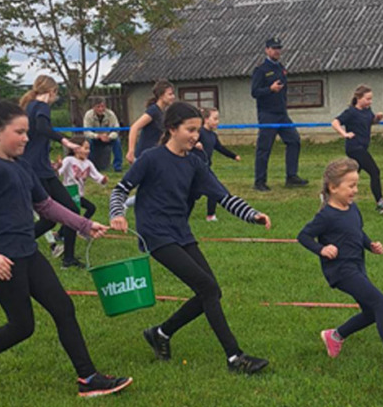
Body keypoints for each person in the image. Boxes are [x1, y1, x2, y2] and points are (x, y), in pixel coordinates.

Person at [0, 100, 132, 400]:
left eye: (27, 132)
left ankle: (87, 378)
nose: (26, 138)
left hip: (27, 253)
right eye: (19, 132)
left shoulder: (21, 165)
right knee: (22, 326)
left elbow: (45, 205)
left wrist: (83, 225)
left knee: (63, 308)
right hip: (1, 259)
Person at [108, 101, 273, 374]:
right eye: (190, 129)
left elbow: (224, 197)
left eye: (198, 130)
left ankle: (160, 333)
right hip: (155, 234)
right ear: (172, 129)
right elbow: (120, 190)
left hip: (181, 232)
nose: (196, 136)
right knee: (208, 289)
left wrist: (252, 215)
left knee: (210, 291)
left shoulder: (195, 164)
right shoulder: (151, 158)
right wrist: (117, 214)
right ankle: (235, 358)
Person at [297, 158, 383, 373]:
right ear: (333, 187)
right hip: (340, 271)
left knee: (371, 311)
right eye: (351, 185)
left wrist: (369, 244)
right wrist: (322, 249)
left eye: (357, 185)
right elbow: (303, 236)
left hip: (357, 266)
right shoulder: (325, 215)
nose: (355, 190)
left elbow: (357, 231)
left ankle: (335, 336)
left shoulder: (352, 209)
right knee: (382, 303)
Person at [18, 75, 86, 268]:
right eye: (56, 93)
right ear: (52, 91)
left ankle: (19, 245)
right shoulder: (41, 106)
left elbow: (37, 135)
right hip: (38, 172)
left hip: (38, 169)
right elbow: (42, 127)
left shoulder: (29, 106)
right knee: (71, 211)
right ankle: (68, 259)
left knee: (49, 219)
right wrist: (65, 141)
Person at [250, 37, 307, 191]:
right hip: (267, 114)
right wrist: (270, 89)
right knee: (264, 148)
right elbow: (254, 92)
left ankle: (291, 176)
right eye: (274, 48)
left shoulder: (281, 68)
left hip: (282, 113)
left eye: (278, 48)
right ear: (267, 50)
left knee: (294, 140)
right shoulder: (261, 70)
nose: (277, 51)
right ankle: (259, 181)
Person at [331, 85, 383, 214]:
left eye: (371, 99)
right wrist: (344, 134)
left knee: (350, 178)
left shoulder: (367, 111)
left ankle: (329, 196)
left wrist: (377, 118)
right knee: (374, 171)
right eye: (367, 99)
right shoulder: (351, 112)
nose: (370, 101)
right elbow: (335, 122)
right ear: (358, 98)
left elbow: (370, 122)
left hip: (362, 146)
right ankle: (380, 203)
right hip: (355, 148)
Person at [196, 106, 241, 222]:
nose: (217, 121)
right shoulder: (198, 132)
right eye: (215, 119)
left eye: (218, 119)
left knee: (213, 190)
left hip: (206, 169)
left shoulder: (213, 136)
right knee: (190, 194)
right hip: (194, 169)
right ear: (206, 119)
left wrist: (233, 156)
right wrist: (195, 144)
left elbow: (220, 148)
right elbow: (186, 142)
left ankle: (210, 215)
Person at [57, 139, 108, 225]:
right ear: (76, 149)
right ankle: (69, 231)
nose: (88, 151)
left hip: (79, 194)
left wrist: (103, 180)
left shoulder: (88, 163)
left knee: (91, 208)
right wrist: (56, 167)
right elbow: (59, 172)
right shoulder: (69, 160)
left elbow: (97, 176)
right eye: (86, 148)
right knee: (74, 213)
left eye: (89, 148)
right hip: (69, 192)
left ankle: (80, 226)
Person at [127, 80, 175, 165]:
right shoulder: (153, 111)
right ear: (161, 95)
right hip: (145, 156)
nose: (173, 97)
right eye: (170, 94)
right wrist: (131, 151)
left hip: (156, 155)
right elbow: (134, 127)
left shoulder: (163, 112)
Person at [82, 96, 123, 172]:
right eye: (98, 107)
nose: (101, 109)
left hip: (108, 138)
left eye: (102, 106)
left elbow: (116, 129)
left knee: (117, 141)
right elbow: (86, 132)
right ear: (93, 107)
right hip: (94, 138)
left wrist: (109, 137)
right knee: (88, 142)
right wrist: (98, 136)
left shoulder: (111, 114)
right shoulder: (88, 115)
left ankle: (118, 166)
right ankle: (90, 166)